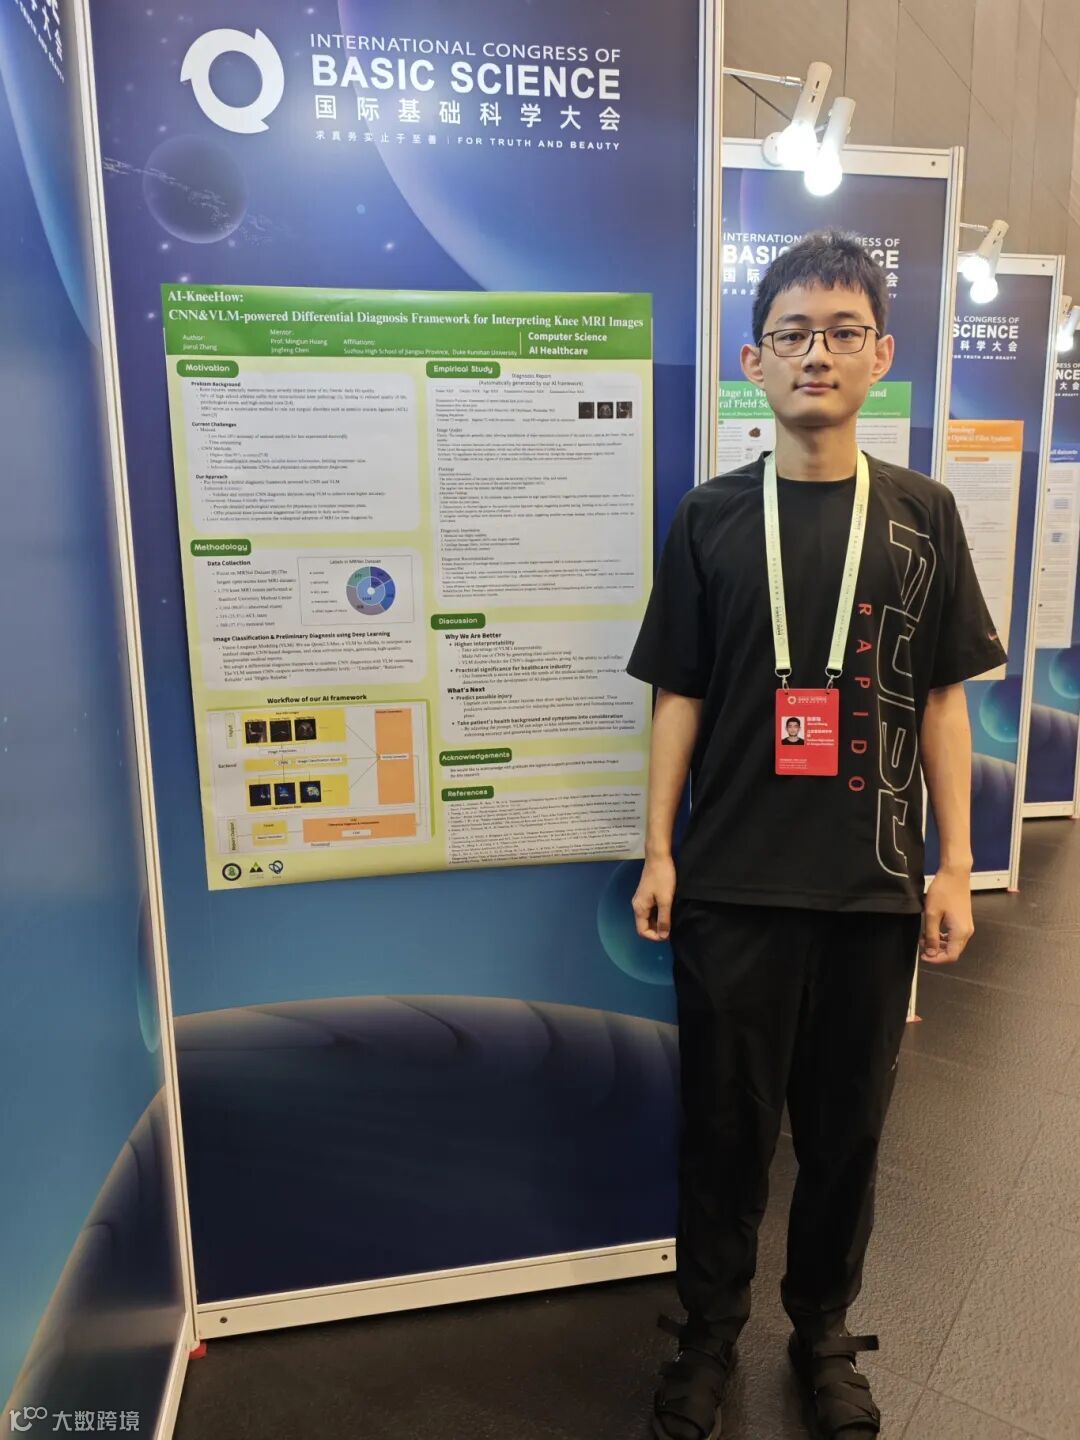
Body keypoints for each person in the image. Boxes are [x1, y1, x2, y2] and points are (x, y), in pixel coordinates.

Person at [627, 230, 1005, 1440]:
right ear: (754, 360)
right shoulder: (709, 518)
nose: (817, 354)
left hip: (872, 887)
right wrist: (660, 849)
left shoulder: (923, 516)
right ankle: (707, 1335)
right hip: (733, 884)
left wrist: (955, 867)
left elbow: (943, 701)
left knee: (848, 1136)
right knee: (723, 1131)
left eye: (843, 332)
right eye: (792, 333)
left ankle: (823, 1333)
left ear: (881, 355)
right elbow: (678, 693)